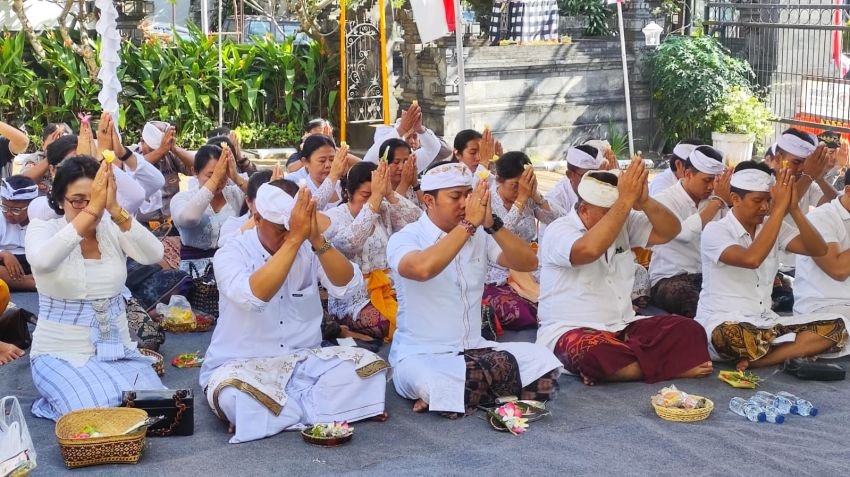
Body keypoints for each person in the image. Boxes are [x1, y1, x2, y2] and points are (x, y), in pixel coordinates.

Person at [201, 183, 388, 444]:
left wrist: (316, 239)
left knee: (370, 370)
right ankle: (321, 410)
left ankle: (274, 415)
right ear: (256, 218)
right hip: (242, 365)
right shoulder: (231, 252)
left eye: (293, 229)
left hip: (303, 361)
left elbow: (348, 287)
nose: (289, 236)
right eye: (282, 230)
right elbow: (254, 297)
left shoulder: (308, 246)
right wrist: (296, 240)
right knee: (236, 397)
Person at [387, 162, 561, 416]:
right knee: (433, 380)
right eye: (455, 196)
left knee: (543, 361)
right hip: (423, 355)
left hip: (477, 349)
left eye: (468, 195)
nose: (465, 203)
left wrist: (492, 225)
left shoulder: (480, 235)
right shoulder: (406, 237)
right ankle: (481, 392)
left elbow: (528, 262)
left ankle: (463, 395)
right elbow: (422, 269)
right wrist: (468, 225)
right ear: (428, 200)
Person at [537, 161, 713, 385]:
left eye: (619, 211)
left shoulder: (623, 221)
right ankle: (669, 368)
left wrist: (645, 201)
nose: (617, 217)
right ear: (584, 210)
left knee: (690, 330)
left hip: (623, 326)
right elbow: (589, 250)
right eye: (608, 213)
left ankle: (627, 367)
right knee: (596, 354)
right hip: (573, 329)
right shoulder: (559, 229)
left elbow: (670, 231)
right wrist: (623, 202)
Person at [25, 156, 165, 420]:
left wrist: (114, 208)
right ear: (59, 199)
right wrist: (91, 213)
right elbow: (43, 261)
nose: (89, 207)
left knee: (152, 411)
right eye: (78, 200)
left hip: (117, 352)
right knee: (98, 415)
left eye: (94, 198)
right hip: (59, 355)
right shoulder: (41, 229)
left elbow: (153, 254)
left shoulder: (111, 228)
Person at [695, 161, 848, 370]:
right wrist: (778, 211)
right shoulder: (715, 230)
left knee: (838, 326)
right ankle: (780, 350)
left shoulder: (772, 225)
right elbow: (752, 259)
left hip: (766, 322)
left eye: (768, 200)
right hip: (725, 321)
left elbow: (818, 249)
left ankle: (762, 359)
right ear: (735, 199)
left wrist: (793, 209)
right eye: (758, 200)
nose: (765, 207)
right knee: (732, 335)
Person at [324, 161, 421, 341]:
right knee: (387, 323)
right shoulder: (336, 216)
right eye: (365, 195)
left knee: (422, 314)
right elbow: (350, 243)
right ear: (348, 192)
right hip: (354, 297)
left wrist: (389, 194)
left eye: (375, 195)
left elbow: (417, 220)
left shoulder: (383, 209)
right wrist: (375, 199)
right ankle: (349, 332)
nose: (371, 200)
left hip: (390, 288)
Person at [484, 151, 562, 330]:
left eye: (523, 185)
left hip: (531, 267)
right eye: (514, 185)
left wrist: (536, 196)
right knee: (519, 312)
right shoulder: (487, 200)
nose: (519, 190)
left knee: (565, 294)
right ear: (499, 180)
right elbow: (499, 236)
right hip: (500, 273)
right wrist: (520, 201)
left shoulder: (528, 197)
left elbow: (559, 220)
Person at [649, 146, 729, 317]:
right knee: (690, 300)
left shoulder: (717, 200)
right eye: (706, 180)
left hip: (708, 277)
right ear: (687, 174)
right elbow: (683, 234)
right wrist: (717, 202)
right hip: (669, 279)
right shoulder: (663, 200)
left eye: (715, 181)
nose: (711, 187)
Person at [793, 168, 850, 353]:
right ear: (848, 191)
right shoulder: (821, 217)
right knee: (837, 326)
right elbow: (837, 270)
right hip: (825, 308)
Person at [171, 144, 246, 272]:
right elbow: (190, 219)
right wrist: (216, 178)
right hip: (194, 273)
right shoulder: (182, 199)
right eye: (210, 175)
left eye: (224, 175)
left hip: (232, 267)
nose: (219, 181)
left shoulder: (235, 194)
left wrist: (235, 176)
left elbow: (261, 198)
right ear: (195, 171)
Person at [136, 121, 195, 224]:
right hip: (143, 226)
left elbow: (197, 168)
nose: (161, 156)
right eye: (152, 150)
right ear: (142, 141)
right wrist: (161, 150)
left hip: (172, 223)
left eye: (164, 150)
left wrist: (175, 149)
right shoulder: (132, 155)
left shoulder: (170, 154)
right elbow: (133, 167)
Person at [363, 102, 442, 172]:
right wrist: (402, 129)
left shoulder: (412, 160)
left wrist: (420, 129)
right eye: (396, 162)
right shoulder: (378, 164)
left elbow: (433, 148)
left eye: (405, 161)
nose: (401, 167)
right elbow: (368, 161)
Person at [285, 135, 348, 211]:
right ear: (305, 162)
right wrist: (333, 176)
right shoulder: (299, 189)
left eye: (332, 160)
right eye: (322, 160)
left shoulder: (344, 187)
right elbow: (308, 213)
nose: (328, 165)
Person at [217, 169, 275, 248]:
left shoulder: (286, 224)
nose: (273, 207)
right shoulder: (233, 224)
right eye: (263, 202)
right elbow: (225, 245)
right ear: (248, 202)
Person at [0, 175, 39, 291]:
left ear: (32, 206)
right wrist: (4, 254)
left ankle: (17, 283)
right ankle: (34, 284)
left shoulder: (42, 217)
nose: (9, 213)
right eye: (4, 207)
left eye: (16, 210)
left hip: (34, 262)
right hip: (5, 264)